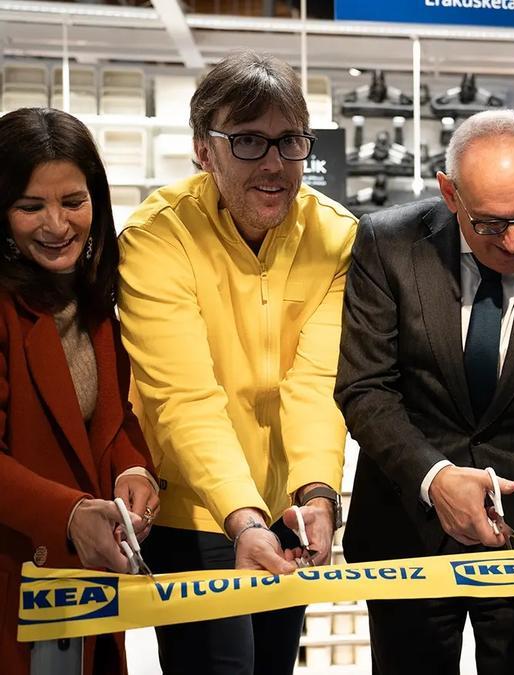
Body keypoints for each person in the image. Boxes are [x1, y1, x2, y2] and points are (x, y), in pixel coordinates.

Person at [335, 109, 514, 675]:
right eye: (489, 224)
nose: (513, 243)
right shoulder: (388, 242)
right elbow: (365, 387)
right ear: (449, 193)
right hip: (406, 528)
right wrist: (434, 478)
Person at [117, 50, 357, 674]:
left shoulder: (335, 236)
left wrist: (318, 494)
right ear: (204, 149)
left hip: (288, 509)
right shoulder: (156, 236)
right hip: (195, 509)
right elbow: (182, 397)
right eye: (248, 141)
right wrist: (242, 519)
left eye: (290, 141)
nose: (274, 164)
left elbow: (317, 383)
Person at [0, 107, 158, 675]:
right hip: (17, 586)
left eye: (73, 202)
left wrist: (134, 470)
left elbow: (110, 420)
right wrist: (69, 514)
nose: (57, 225)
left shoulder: (92, 300)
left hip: (82, 592)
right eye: (30, 207)